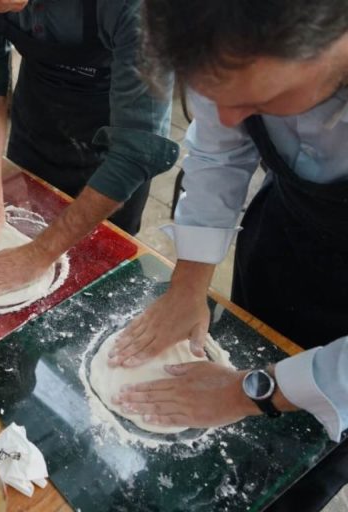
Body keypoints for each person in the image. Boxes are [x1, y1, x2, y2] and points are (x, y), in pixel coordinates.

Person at [107, 1, 348, 510]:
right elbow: (220, 152)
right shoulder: (218, 28)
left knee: (294, 473)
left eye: (265, 98)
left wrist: (251, 393)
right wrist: (189, 284)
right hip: (284, 243)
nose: (228, 117)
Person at [0, 0, 178, 303]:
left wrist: (39, 253)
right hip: (37, 124)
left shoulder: (134, 8)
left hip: (112, 151)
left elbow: (135, 152)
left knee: (95, 285)